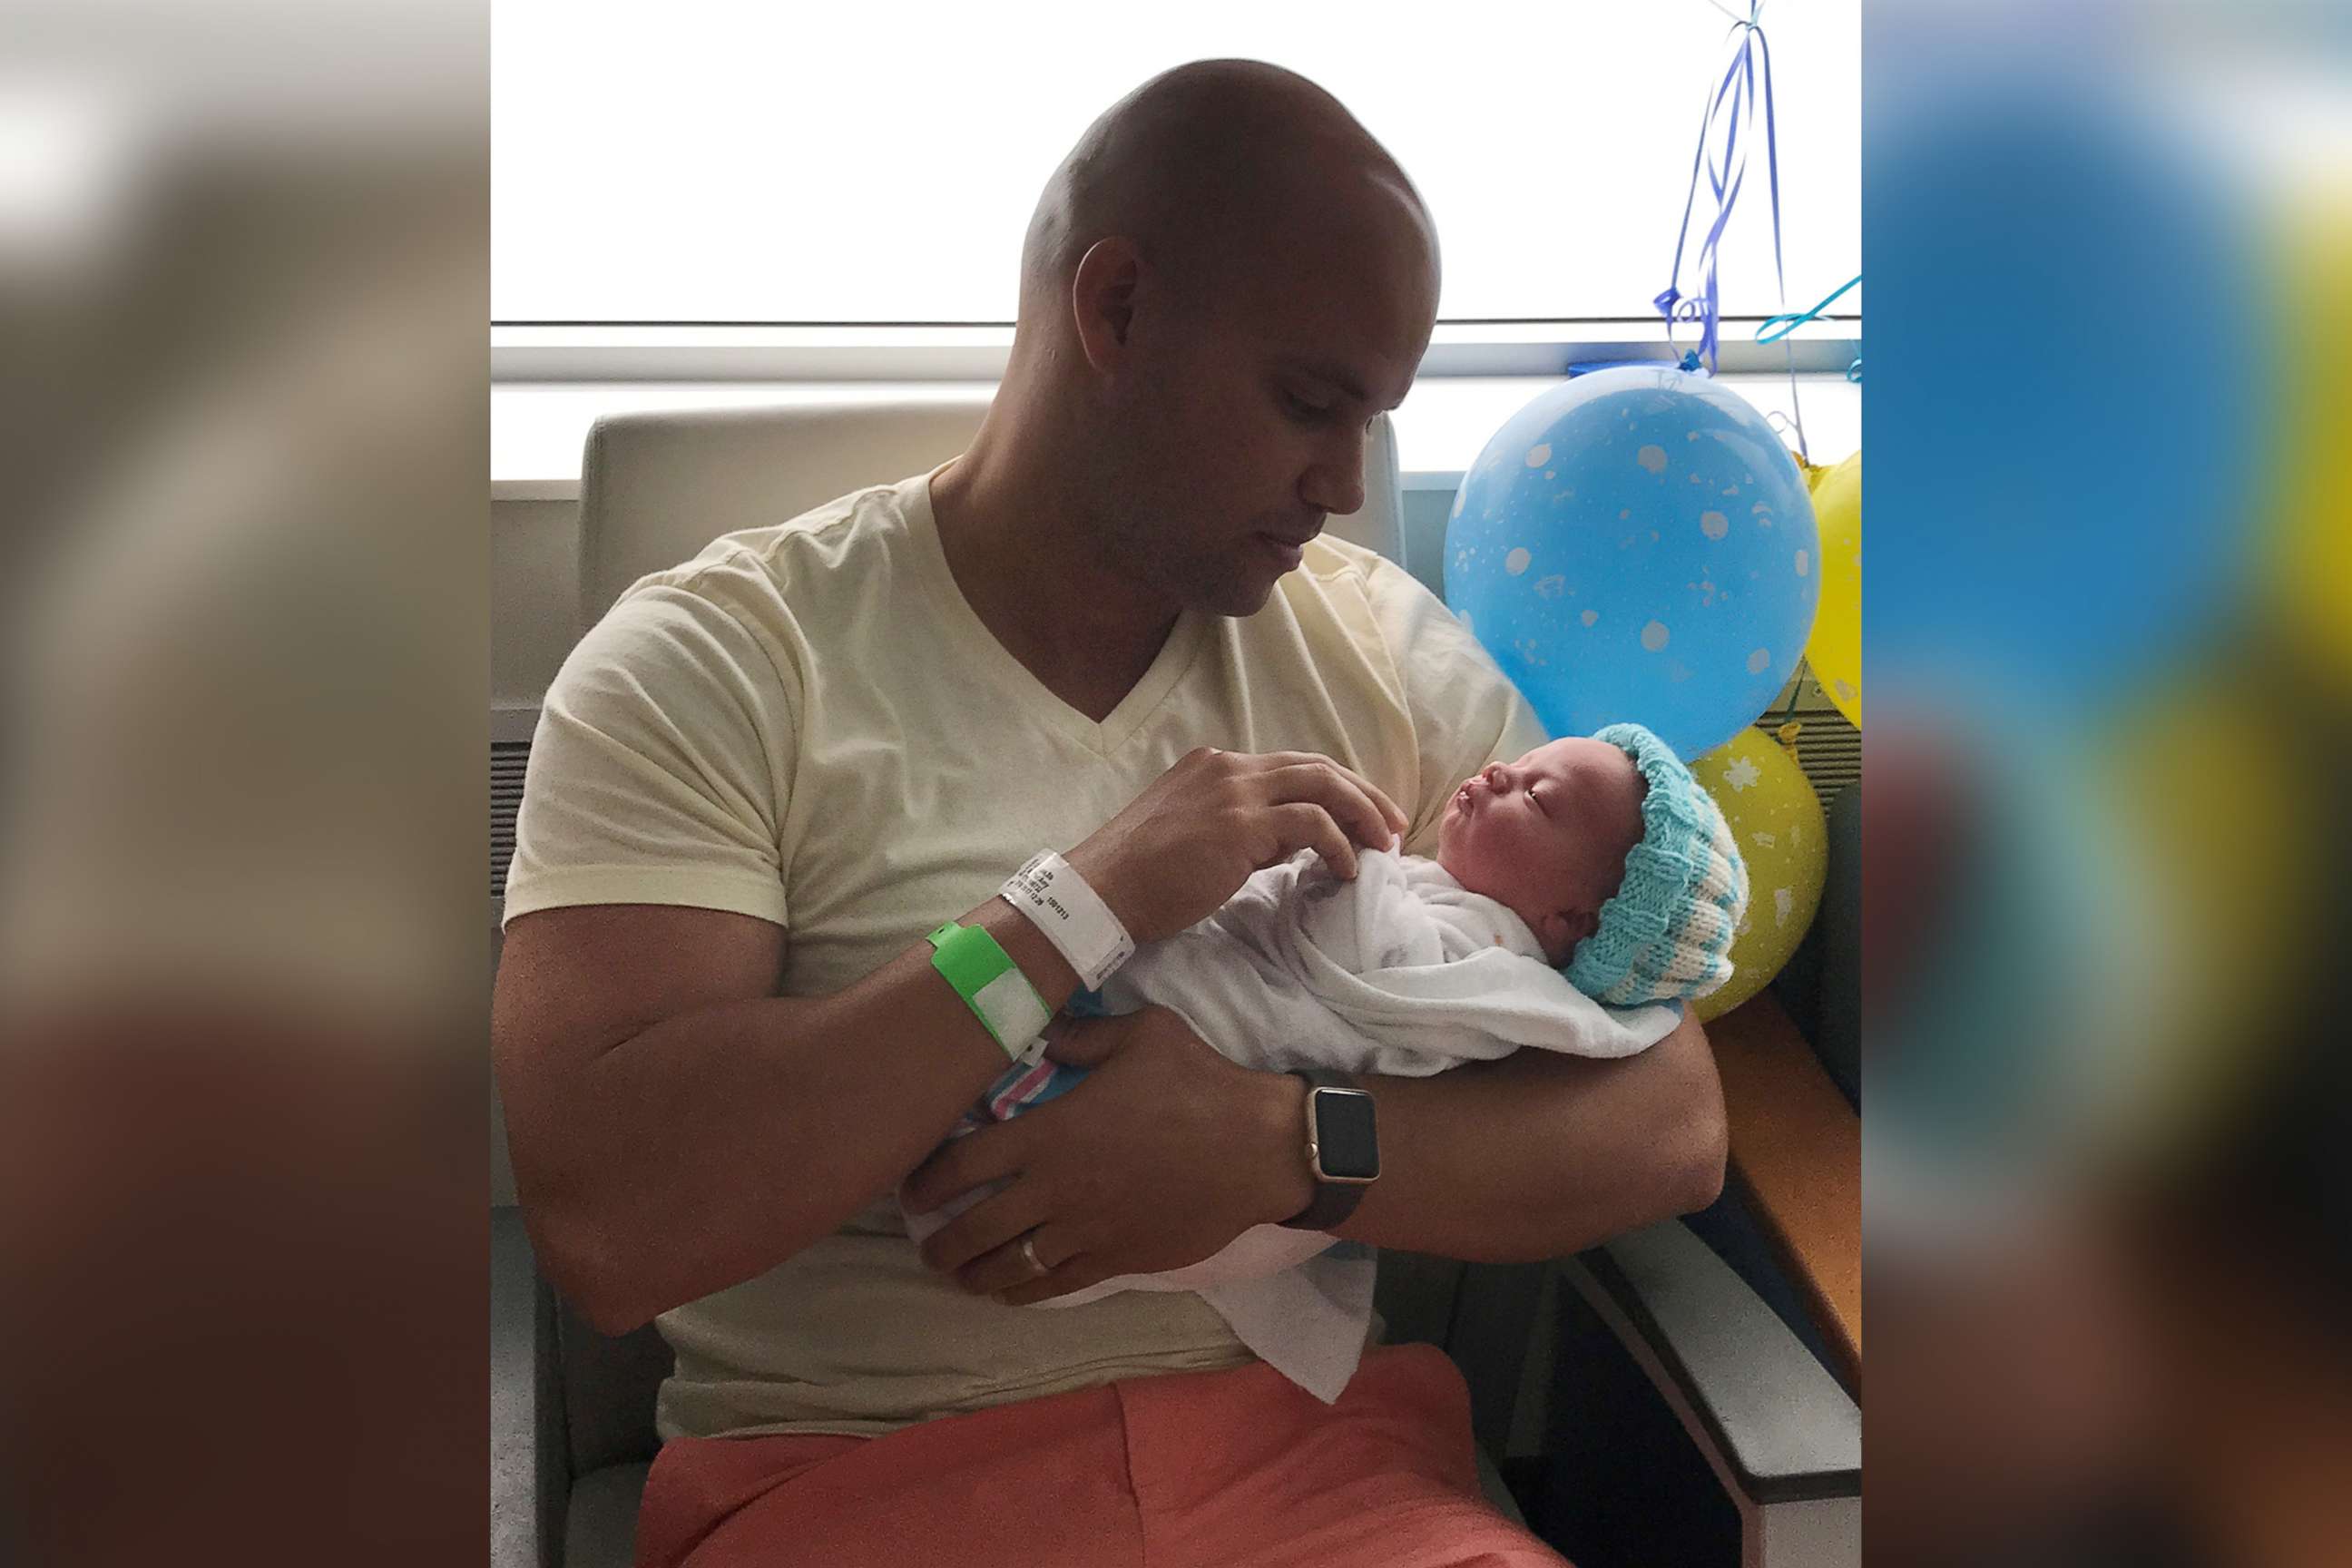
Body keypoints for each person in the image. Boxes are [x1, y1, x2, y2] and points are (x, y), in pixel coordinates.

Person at [493, 58, 1728, 1568]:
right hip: (856, 1484)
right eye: (1305, 401)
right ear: (1116, 310)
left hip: (1323, 1483)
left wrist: (1280, 1145)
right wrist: (1071, 910)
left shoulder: (1385, 659)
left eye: (1372, 419)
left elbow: (1669, 1123)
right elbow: (613, 1222)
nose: (1342, 483)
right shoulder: (716, 664)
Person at [901, 723, 1747, 1402]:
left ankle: (994, 1090)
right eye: (1518, 763)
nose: (1497, 773)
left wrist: (1356, 855)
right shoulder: (1465, 901)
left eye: (1538, 795)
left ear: (1571, 923)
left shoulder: (1492, 951)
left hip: (1236, 1098)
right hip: (888, 1410)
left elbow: (1359, 954)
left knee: (1088, 1017)